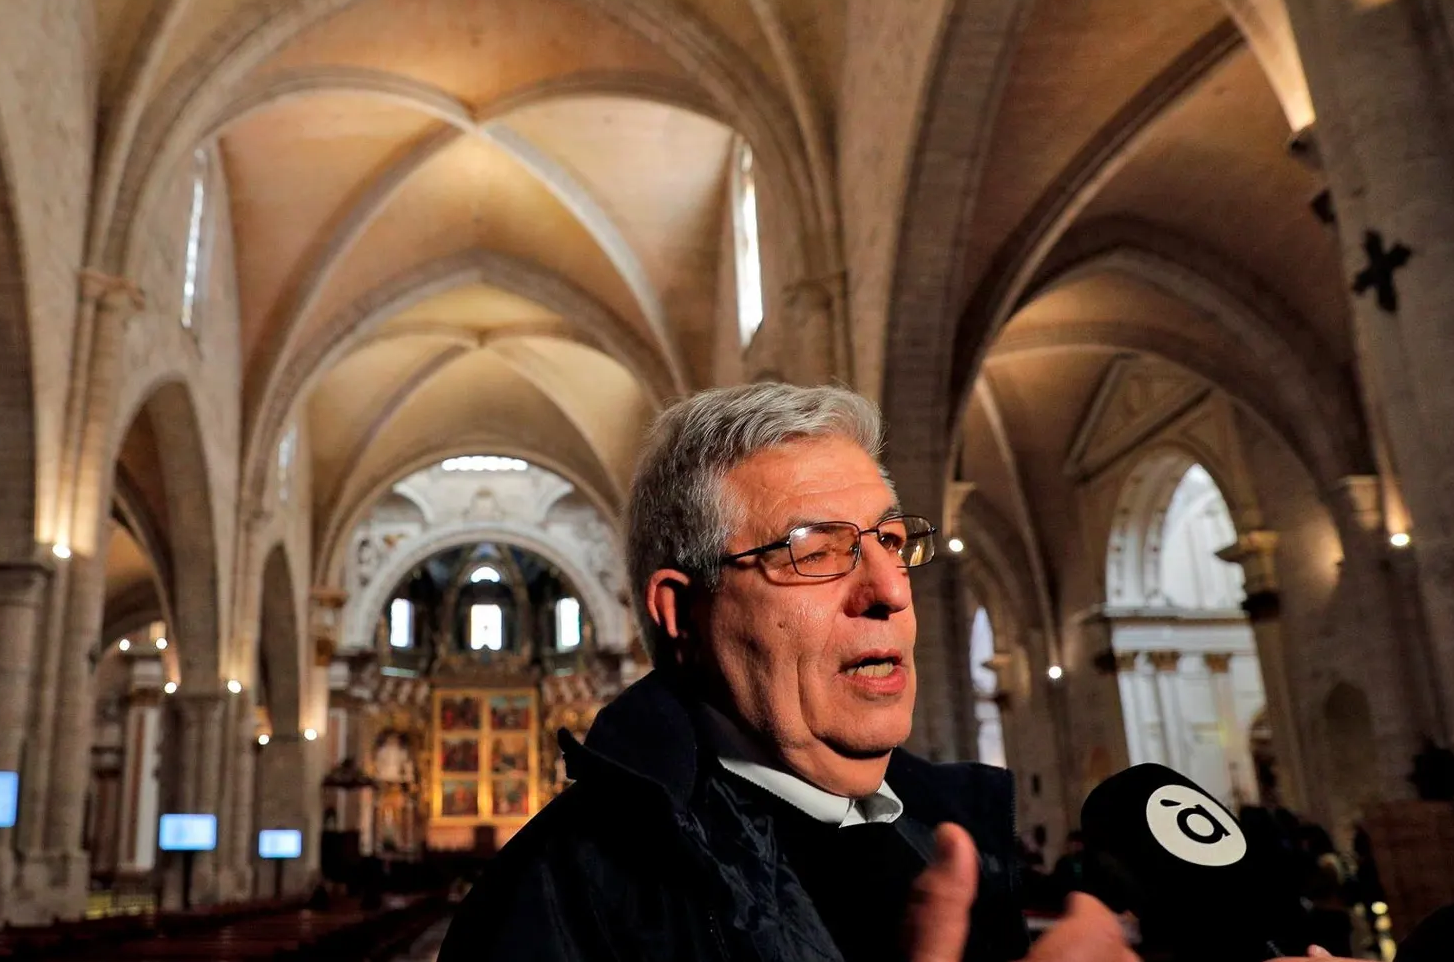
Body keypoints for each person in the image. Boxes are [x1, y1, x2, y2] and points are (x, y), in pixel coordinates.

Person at [438, 383, 1334, 961]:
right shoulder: (552, 901)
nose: (889, 592)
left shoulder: (970, 829)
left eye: (893, 542)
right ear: (683, 612)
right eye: (814, 550)